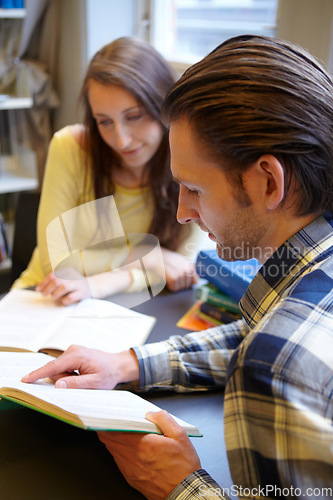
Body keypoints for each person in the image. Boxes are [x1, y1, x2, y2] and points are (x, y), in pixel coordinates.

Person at [22, 35, 333, 499]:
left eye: (195, 189)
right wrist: (128, 363)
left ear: (269, 180)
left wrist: (181, 485)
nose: (183, 211)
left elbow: (271, 355)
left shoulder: (270, 371)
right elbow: (262, 335)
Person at [11, 36, 208, 305]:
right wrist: (151, 257)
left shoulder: (190, 160)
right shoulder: (70, 147)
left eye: (134, 116)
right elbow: (57, 265)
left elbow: (183, 266)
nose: (121, 140)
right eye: (104, 122)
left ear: (164, 106)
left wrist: (99, 283)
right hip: (44, 297)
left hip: (133, 306)